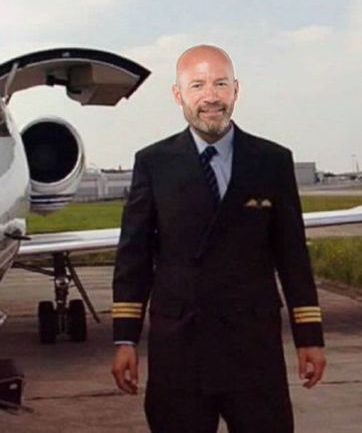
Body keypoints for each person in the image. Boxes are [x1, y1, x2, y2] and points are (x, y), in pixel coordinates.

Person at [110, 45, 326, 433]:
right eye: (197, 85)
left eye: (220, 84)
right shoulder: (154, 163)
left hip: (253, 350)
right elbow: (134, 259)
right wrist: (124, 339)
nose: (211, 96)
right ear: (178, 95)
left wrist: (309, 337)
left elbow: (292, 255)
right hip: (179, 350)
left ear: (236, 90)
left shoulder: (271, 161)